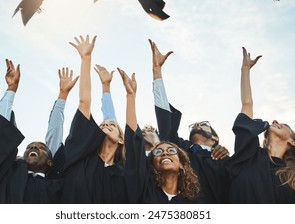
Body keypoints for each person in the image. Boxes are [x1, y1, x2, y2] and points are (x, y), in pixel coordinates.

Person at [148, 39, 230, 203]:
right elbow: (165, 119)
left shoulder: (223, 159)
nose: (197, 125)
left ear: (214, 138)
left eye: (203, 124)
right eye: (195, 125)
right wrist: (157, 72)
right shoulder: (181, 149)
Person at [0, 59, 76, 203]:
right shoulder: (6, 179)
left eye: (41, 148)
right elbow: (0, 136)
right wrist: (11, 89)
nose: (33, 147)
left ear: (50, 162)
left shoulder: (57, 187)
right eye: (30, 147)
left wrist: (62, 95)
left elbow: (54, 134)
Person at [228, 47, 295, 203]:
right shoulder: (249, 156)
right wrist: (245, 69)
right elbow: (247, 105)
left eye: (284, 125)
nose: (276, 121)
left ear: (292, 141)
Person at [118, 67, 202, 203]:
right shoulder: (144, 191)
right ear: (152, 165)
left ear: (181, 164)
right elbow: (134, 142)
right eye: (158, 152)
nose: (165, 153)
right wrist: (131, 96)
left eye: (171, 150)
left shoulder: (194, 202)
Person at [62, 35, 129, 203]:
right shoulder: (80, 160)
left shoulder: (125, 175)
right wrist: (86, 59)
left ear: (121, 139)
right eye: (102, 124)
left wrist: (107, 87)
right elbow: (84, 102)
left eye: (111, 124)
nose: (106, 123)